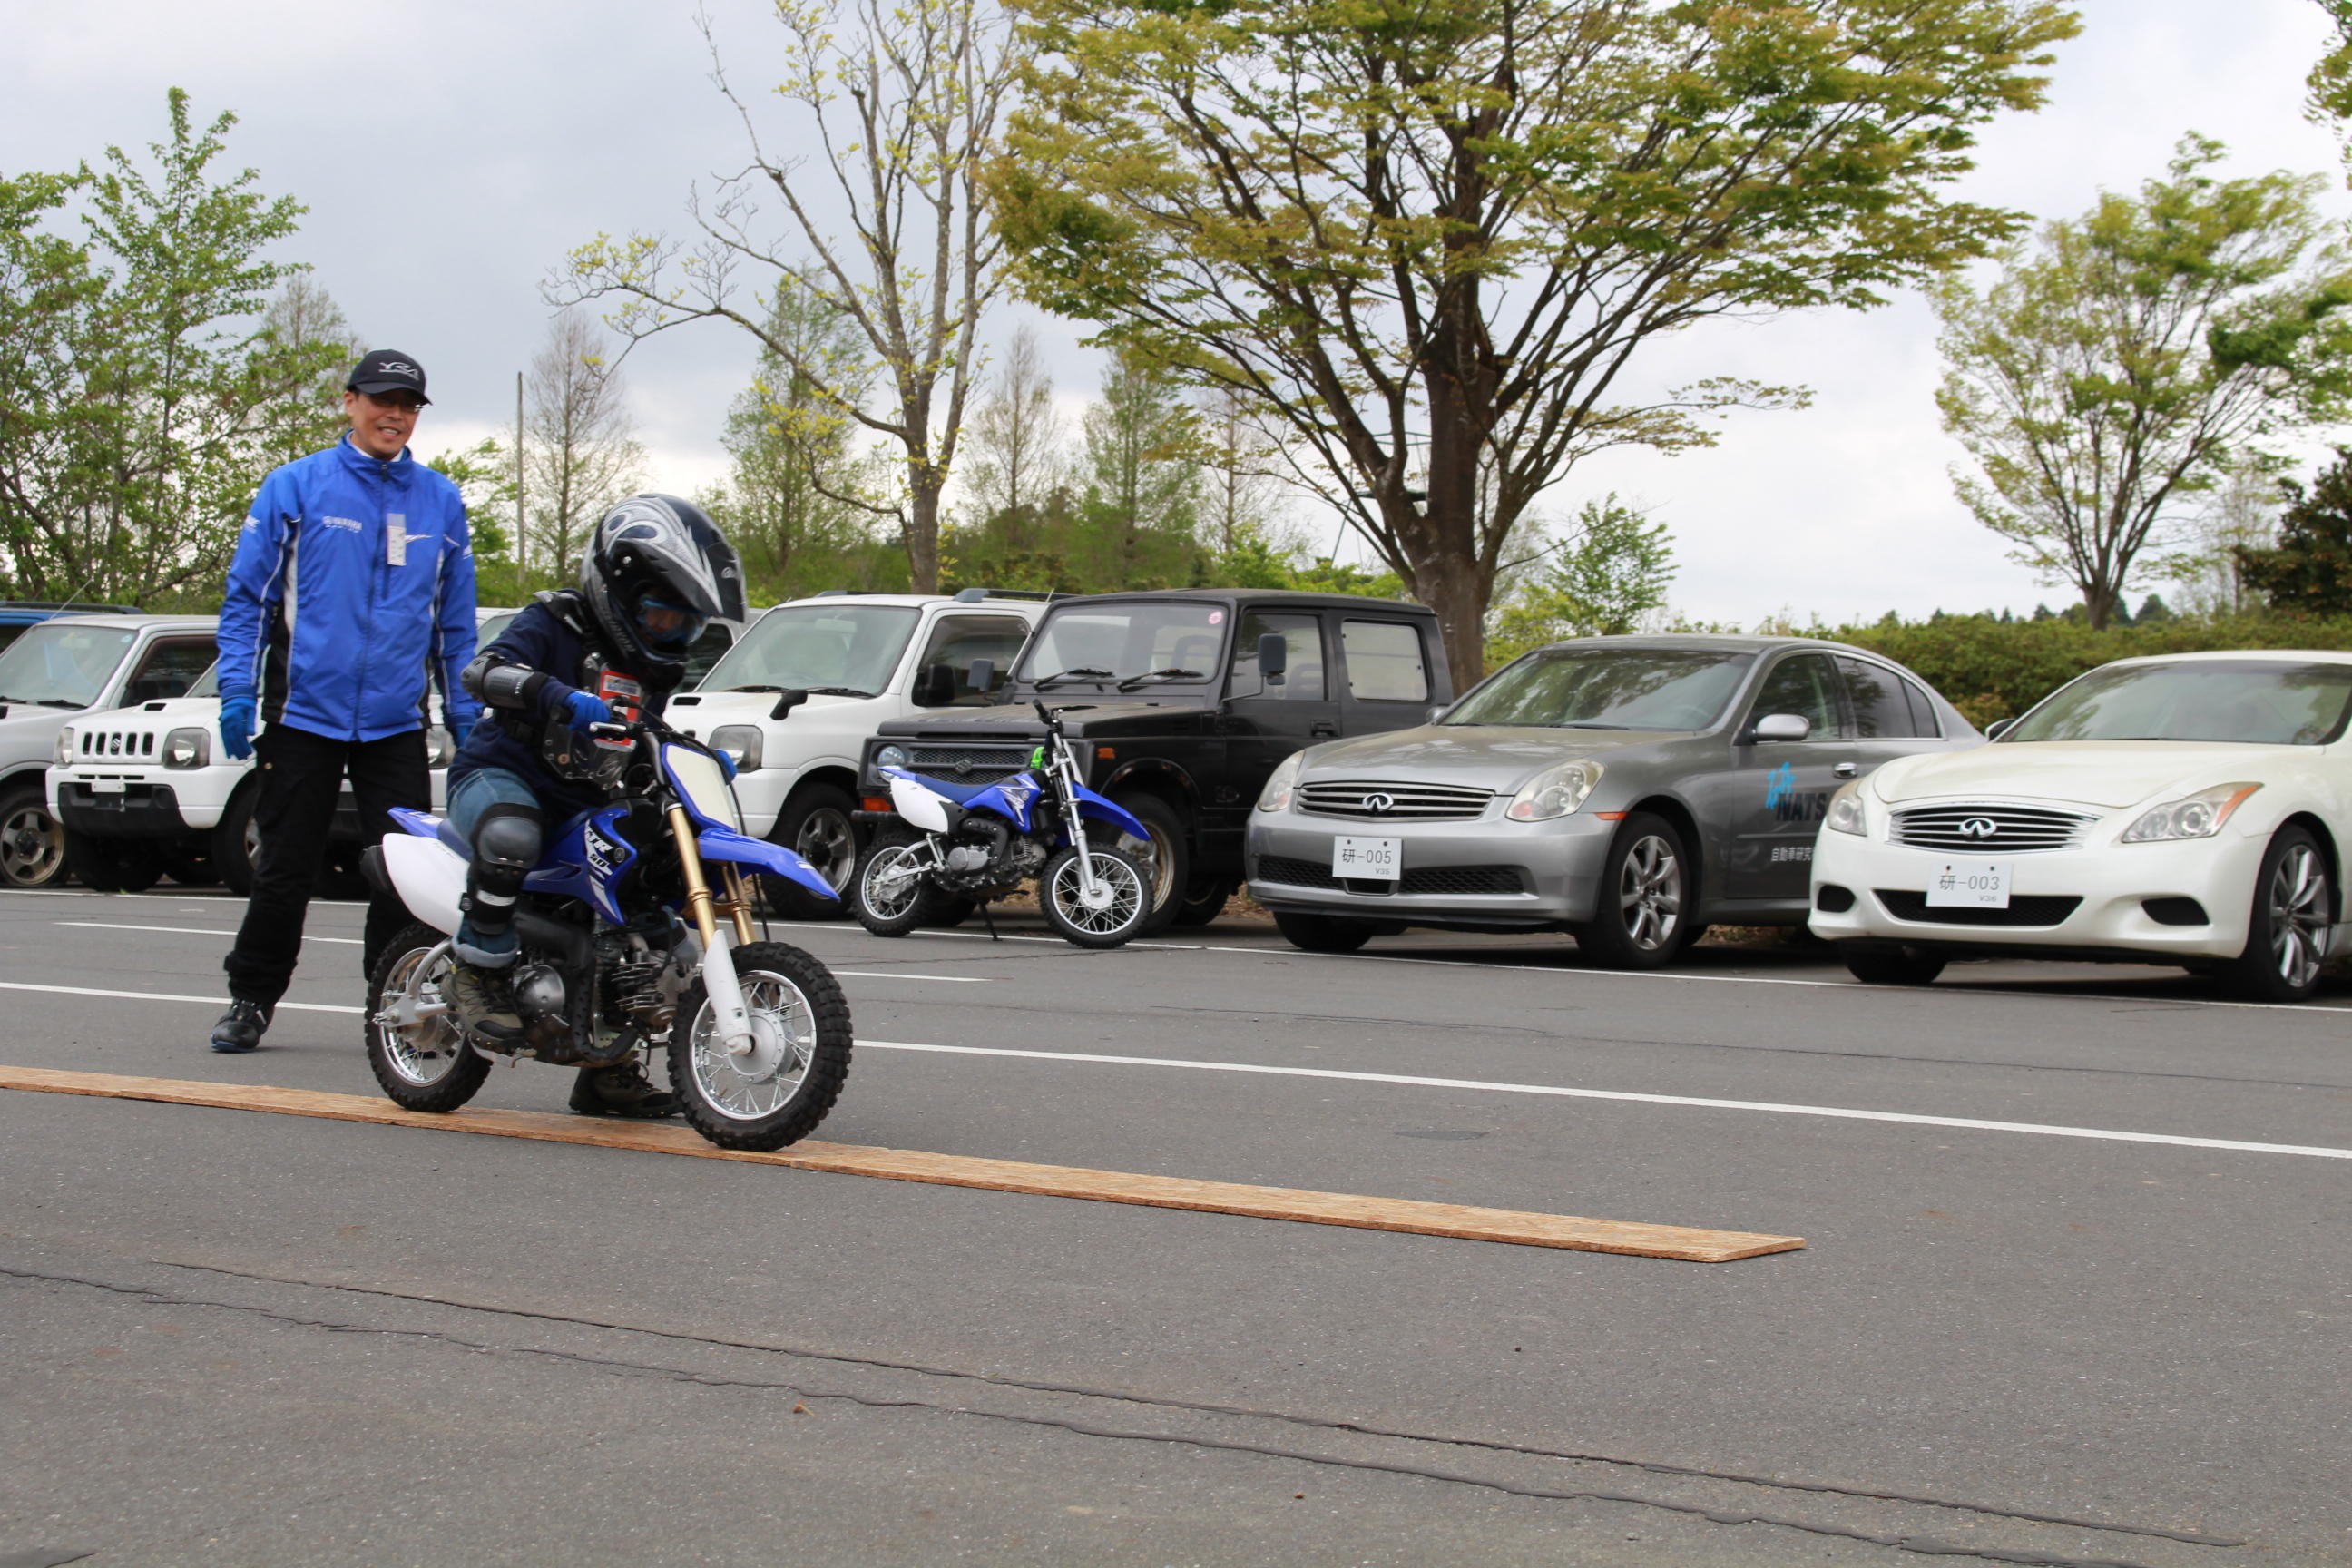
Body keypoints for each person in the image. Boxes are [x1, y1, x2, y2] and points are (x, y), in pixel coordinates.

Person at [208, 350, 480, 1053]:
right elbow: (248, 601)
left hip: (393, 721)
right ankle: (251, 997)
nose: (395, 414)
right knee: (285, 868)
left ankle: (392, 1007)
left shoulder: (440, 501)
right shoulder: (295, 487)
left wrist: (465, 715)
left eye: (409, 404)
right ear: (351, 402)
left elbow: (455, 624)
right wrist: (237, 691)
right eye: (383, 400)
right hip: (304, 717)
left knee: (403, 875)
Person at [444, 493, 745, 1117]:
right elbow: (481, 672)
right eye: (662, 618)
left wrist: (693, 755)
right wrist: (551, 694)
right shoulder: (555, 622)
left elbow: (643, 731)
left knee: (641, 907)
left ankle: (611, 1065)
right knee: (510, 840)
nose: (671, 634)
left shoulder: (653, 666)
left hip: (586, 798)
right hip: (503, 777)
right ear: (618, 590)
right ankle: (477, 972)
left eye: (684, 625)